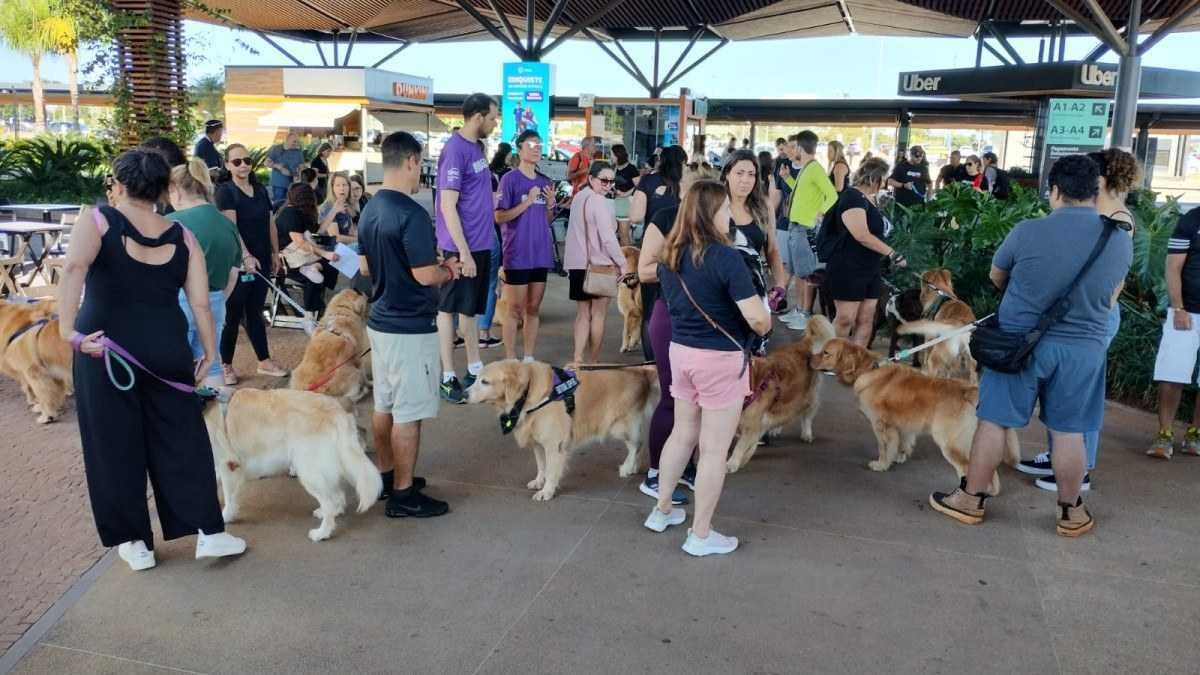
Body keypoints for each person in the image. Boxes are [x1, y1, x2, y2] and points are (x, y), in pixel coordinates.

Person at [57, 148, 246, 571]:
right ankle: (210, 533)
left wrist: (68, 330)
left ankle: (135, 543)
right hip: (166, 351)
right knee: (182, 440)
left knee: (113, 445)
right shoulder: (183, 235)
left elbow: (73, 270)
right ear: (164, 190)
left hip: (105, 351)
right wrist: (210, 352)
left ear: (119, 185)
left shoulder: (98, 219)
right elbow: (200, 305)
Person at [929, 155, 1132, 538]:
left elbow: (997, 275)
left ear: (1054, 191)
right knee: (1070, 430)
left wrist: (1027, 300)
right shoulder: (1118, 240)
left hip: (1018, 346)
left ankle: (970, 499)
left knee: (994, 421)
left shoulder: (1027, 231)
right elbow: (1109, 298)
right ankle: (1071, 512)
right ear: (1095, 191)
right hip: (1083, 350)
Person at [644, 179, 771, 556]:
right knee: (714, 450)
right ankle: (701, 534)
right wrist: (767, 312)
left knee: (682, 433)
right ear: (712, 213)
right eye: (725, 208)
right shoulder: (726, 258)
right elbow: (758, 321)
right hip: (720, 360)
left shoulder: (669, 256)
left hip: (680, 352)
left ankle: (661, 510)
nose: (731, 213)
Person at [1019, 148, 1137, 489]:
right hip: (1084, 316)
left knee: (1080, 395)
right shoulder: (1098, 211)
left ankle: (1079, 468)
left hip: (1094, 318)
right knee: (1064, 390)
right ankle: (1058, 453)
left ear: (1099, 178)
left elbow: (1114, 279)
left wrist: (1092, 311)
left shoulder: (1117, 217)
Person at [358, 131, 461, 519]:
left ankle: (388, 475)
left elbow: (366, 267)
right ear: (412, 161)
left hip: (381, 321)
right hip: (410, 326)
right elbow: (424, 275)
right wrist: (449, 268)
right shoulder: (412, 213)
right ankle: (403, 494)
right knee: (409, 412)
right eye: (422, 165)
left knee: (384, 403)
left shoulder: (370, 208)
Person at [636, 171, 706, 506]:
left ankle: (685, 466)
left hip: (703, 323)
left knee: (696, 402)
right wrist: (684, 265)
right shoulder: (665, 218)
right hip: (669, 315)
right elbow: (644, 271)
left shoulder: (711, 228)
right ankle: (654, 474)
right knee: (671, 397)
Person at [434, 93, 499, 403]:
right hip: (462, 247)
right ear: (477, 117)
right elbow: (448, 205)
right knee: (448, 310)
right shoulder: (455, 150)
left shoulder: (477, 148)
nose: (494, 123)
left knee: (469, 310)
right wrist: (463, 252)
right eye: (492, 118)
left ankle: (474, 367)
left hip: (481, 243)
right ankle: (447, 376)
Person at [215, 143, 287, 383]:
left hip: (263, 259)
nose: (243, 164)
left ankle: (264, 361)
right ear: (227, 165)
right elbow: (231, 228)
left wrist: (276, 253)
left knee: (255, 311)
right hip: (239, 263)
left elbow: (270, 223)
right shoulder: (225, 191)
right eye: (237, 161)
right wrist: (245, 256)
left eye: (247, 160)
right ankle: (225, 364)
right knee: (233, 315)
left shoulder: (260, 190)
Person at [167, 158, 241, 388]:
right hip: (217, 301)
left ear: (175, 191)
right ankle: (214, 422)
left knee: (175, 367)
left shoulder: (171, 222)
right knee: (211, 363)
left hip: (179, 302)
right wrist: (215, 299)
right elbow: (233, 273)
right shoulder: (226, 223)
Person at [820, 158, 906, 347]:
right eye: (884, 179)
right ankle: (832, 357)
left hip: (870, 267)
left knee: (866, 319)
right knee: (845, 319)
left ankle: (856, 360)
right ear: (876, 178)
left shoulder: (869, 199)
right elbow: (861, 235)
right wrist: (893, 253)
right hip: (848, 267)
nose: (885, 183)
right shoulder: (852, 198)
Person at [495, 130, 555, 362]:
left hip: (540, 253)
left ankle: (529, 356)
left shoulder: (545, 181)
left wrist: (549, 205)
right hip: (517, 253)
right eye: (532, 144)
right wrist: (528, 202)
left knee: (533, 307)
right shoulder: (509, 180)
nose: (537, 148)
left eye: (540, 144)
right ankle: (511, 357)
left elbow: (546, 220)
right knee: (514, 309)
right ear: (520, 148)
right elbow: (499, 217)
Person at [1146, 204, 1200, 459]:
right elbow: (1172, 267)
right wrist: (1178, 308)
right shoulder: (1191, 219)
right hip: (1186, 312)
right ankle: (1164, 435)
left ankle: (1195, 435)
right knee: (1172, 373)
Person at [564, 161, 626, 364]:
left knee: (582, 315)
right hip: (600, 266)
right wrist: (622, 263)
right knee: (598, 315)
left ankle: (577, 358)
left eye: (611, 181)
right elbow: (608, 237)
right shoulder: (600, 202)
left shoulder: (578, 198)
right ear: (591, 178)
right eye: (604, 180)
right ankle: (594, 362)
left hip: (576, 264)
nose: (608, 185)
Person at [630, 145, 687, 360]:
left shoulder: (648, 181)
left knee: (651, 311)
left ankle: (652, 362)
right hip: (683, 253)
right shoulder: (688, 185)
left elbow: (635, 217)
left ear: (660, 160)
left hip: (653, 252)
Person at [779, 130, 838, 330]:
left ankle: (805, 313)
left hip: (804, 227)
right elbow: (803, 191)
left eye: (793, 146)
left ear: (800, 148)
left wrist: (820, 213)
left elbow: (832, 195)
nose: (790, 150)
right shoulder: (808, 168)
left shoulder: (814, 169)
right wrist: (788, 179)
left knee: (806, 273)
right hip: (797, 225)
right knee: (800, 272)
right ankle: (800, 310)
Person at [721, 150, 787, 321]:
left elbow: (772, 250)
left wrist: (780, 284)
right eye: (739, 173)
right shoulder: (714, 204)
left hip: (753, 290)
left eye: (751, 174)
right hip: (718, 290)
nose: (745, 180)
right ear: (727, 174)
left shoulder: (764, 206)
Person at [279, 183, 339, 316]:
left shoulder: (300, 213)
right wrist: (325, 254)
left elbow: (318, 231)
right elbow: (300, 242)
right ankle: (310, 314)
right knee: (315, 277)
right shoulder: (289, 213)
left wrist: (334, 210)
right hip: (289, 262)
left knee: (332, 266)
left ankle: (315, 267)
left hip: (304, 259)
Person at [265, 131, 304, 206]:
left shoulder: (298, 151)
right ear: (287, 139)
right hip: (279, 184)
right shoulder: (276, 149)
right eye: (294, 142)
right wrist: (279, 167)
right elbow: (266, 163)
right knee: (278, 204)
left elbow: (301, 165)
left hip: (293, 184)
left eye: (297, 142)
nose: (296, 144)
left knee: (290, 205)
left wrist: (300, 173)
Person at [319, 171, 357, 245]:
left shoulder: (346, 204)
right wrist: (358, 240)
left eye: (344, 185)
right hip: (331, 250)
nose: (342, 188)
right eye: (338, 185)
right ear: (332, 188)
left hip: (347, 246)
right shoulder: (328, 207)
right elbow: (336, 238)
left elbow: (351, 231)